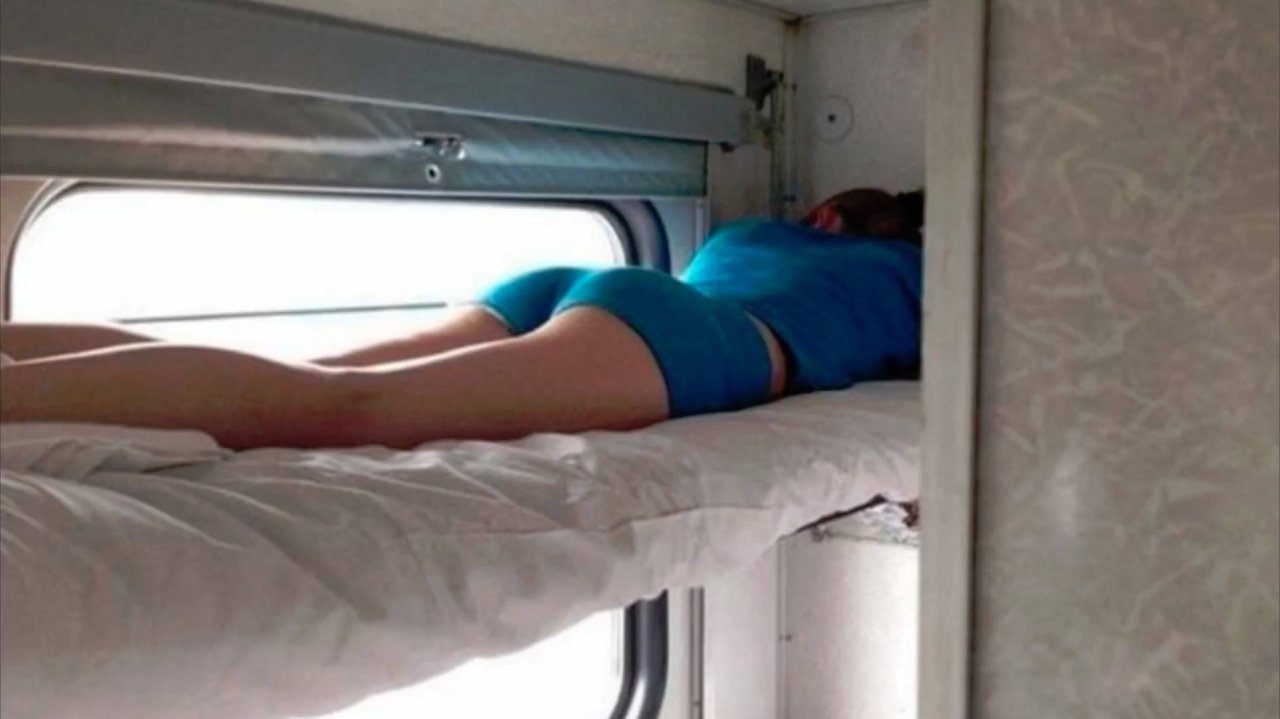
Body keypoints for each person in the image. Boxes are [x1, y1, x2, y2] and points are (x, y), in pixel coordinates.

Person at [0, 188, 924, 450]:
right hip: (697, 341)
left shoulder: (754, 233)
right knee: (346, 410)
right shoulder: (923, 277)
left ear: (825, 216)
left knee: (305, 374)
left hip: (598, 290)